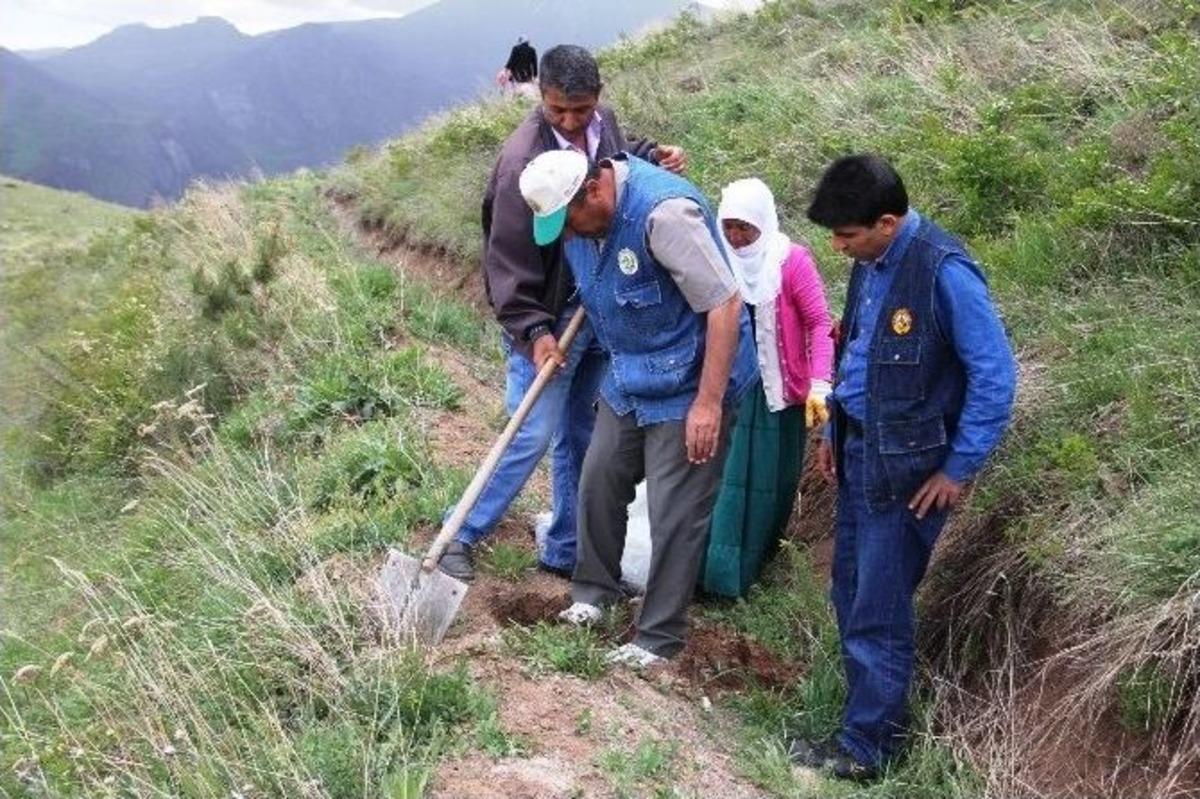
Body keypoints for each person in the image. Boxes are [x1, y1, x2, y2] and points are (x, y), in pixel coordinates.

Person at [790, 154, 1017, 780]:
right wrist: (837, 429)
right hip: (861, 454)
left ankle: (869, 751)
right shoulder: (874, 261)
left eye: (847, 235)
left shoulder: (946, 273)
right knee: (850, 590)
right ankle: (861, 724)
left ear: (887, 222)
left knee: (880, 609)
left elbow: (995, 377)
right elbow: (859, 349)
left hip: (910, 475)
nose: (837, 248)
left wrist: (958, 467)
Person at [437, 44, 686, 583]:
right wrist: (535, 332)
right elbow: (506, 265)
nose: (572, 123)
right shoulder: (518, 167)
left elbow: (616, 157)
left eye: (582, 109)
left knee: (580, 430)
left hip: (596, 305)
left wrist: (650, 153)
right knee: (531, 427)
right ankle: (461, 532)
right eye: (558, 112)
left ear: (597, 97)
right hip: (545, 314)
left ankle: (566, 548)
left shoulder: (603, 124)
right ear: (540, 99)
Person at [518, 149, 759, 668]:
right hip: (629, 374)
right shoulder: (582, 227)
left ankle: (658, 639)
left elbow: (725, 305)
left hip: (691, 382)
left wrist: (708, 404)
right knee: (598, 480)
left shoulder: (664, 215)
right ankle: (593, 594)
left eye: (570, 223)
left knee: (675, 513)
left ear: (595, 192)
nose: (568, 236)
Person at [699, 178, 833, 598]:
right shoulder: (719, 260)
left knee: (768, 487)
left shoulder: (790, 262)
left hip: (778, 396)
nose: (737, 238)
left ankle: (752, 571)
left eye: (746, 229)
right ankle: (715, 577)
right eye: (730, 227)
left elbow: (820, 322)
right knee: (727, 483)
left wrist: (819, 382)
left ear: (764, 224)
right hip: (732, 389)